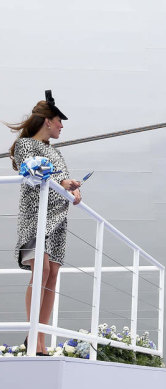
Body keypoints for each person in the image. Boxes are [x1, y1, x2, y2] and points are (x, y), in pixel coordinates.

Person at [5, 91, 82, 355]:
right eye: (60, 121)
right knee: (41, 271)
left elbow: (63, 178)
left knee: (52, 274)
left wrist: (73, 189)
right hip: (36, 214)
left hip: (58, 218)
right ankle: (34, 337)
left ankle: (40, 336)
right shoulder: (27, 144)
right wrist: (62, 182)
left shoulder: (55, 151)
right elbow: (32, 169)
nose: (62, 126)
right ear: (48, 121)